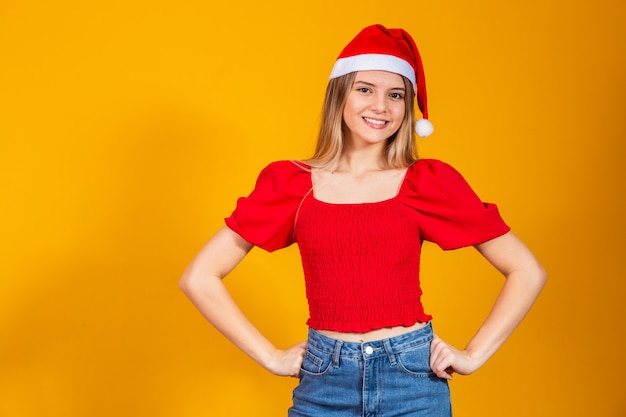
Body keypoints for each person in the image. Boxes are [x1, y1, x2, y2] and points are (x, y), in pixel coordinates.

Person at [179, 24, 547, 416]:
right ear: (340, 94)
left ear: (408, 109)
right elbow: (199, 277)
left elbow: (527, 270)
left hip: (412, 382)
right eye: (365, 89)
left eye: (396, 95)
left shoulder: (425, 183)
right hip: (324, 383)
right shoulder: (292, 185)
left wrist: (474, 354)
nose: (381, 107)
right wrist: (270, 356)